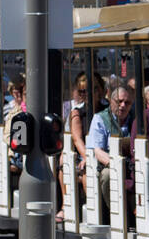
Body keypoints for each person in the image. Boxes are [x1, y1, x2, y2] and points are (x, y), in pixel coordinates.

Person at [87, 83, 134, 211]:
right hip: (110, 165)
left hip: (133, 165)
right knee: (108, 175)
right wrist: (118, 164)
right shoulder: (100, 119)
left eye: (127, 102)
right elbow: (98, 151)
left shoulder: (136, 119)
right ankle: (116, 212)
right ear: (111, 101)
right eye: (119, 101)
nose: (123, 105)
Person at [57, 73, 90, 221]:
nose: (86, 94)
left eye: (90, 90)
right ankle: (65, 205)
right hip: (81, 156)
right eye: (82, 91)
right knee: (64, 160)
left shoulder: (107, 110)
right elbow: (76, 139)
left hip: (101, 154)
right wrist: (86, 157)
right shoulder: (76, 112)